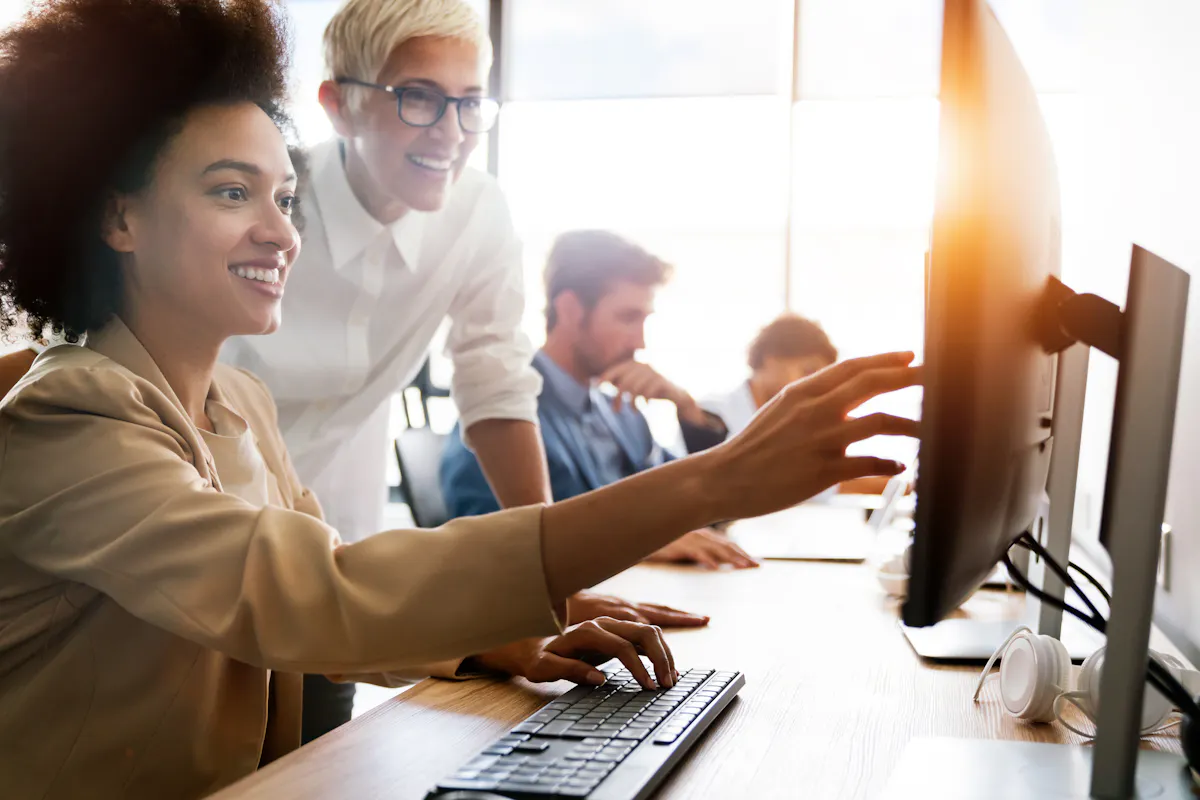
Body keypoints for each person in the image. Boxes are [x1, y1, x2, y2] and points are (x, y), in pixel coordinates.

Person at [0, 1, 920, 796]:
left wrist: (490, 643)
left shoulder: (237, 404)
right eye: (234, 192)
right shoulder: (69, 423)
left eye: (284, 195)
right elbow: (313, 594)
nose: (283, 230)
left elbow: (329, 579)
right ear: (116, 217)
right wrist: (706, 482)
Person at [216, 0, 705, 740]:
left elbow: (498, 388)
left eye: (471, 103)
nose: (450, 132)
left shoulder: (477, 212)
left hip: (340, 555)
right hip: (206, 538)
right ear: (338, 106)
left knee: (317, 764)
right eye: (418, 98)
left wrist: (551, 579)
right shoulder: (267, 209)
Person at [441, 231, 756, 570]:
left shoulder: (622, 412)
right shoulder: (501, 416)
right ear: (570, 309)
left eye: (644, 320)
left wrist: (688, 410)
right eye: (628, 318)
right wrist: (638, 540)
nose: (640, 343)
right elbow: (492, 549)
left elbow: (694, 499)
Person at [701, 313, 894, 495]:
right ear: (772, 359)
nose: (816, 386)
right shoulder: (710, 415)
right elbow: (777, 482)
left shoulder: (792, 421)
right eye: (808, 372)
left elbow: (817, 481)